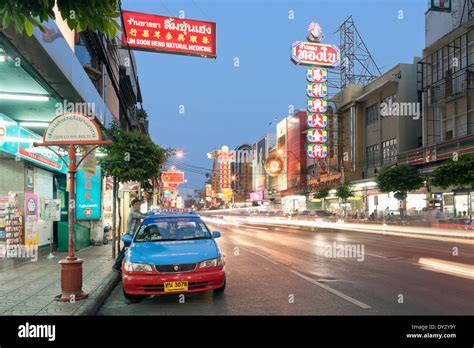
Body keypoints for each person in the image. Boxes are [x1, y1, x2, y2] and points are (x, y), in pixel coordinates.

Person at [112, 198, 146, 273]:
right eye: (136, 204)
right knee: (125, 251)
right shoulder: (133, 213)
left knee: (124, 251)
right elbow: (144, 217)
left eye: (139, 204)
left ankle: (117, 266)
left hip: (133, 236)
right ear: (133, 206)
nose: (138, 206)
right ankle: (116, 266)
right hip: (129, 236)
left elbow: (143, 215)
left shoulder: (138, 212)